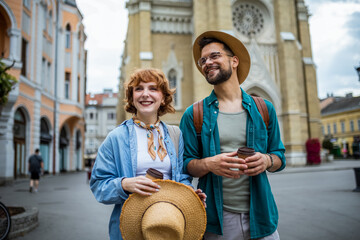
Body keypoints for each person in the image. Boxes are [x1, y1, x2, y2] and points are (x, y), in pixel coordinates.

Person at [180, 31, 286, 239]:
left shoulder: (265, 109)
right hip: (217, 221)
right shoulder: (194, 114)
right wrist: (209, 164)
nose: (207, 62)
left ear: (234, 61)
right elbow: (186, 164)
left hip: (262, 217)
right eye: (203, 60)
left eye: (214, 56)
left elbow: (279, 158)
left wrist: (266, 160)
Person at [90, 68, 206, 240]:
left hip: (168, 223)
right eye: (139, 89)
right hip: (131, 226)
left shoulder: (175, 134)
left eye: (153, 88)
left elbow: (181, 177)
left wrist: (189, 194)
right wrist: (124, 184)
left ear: (163, 97)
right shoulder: (116, 138)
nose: (145, 94)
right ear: (131, 97)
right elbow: (99, 185)